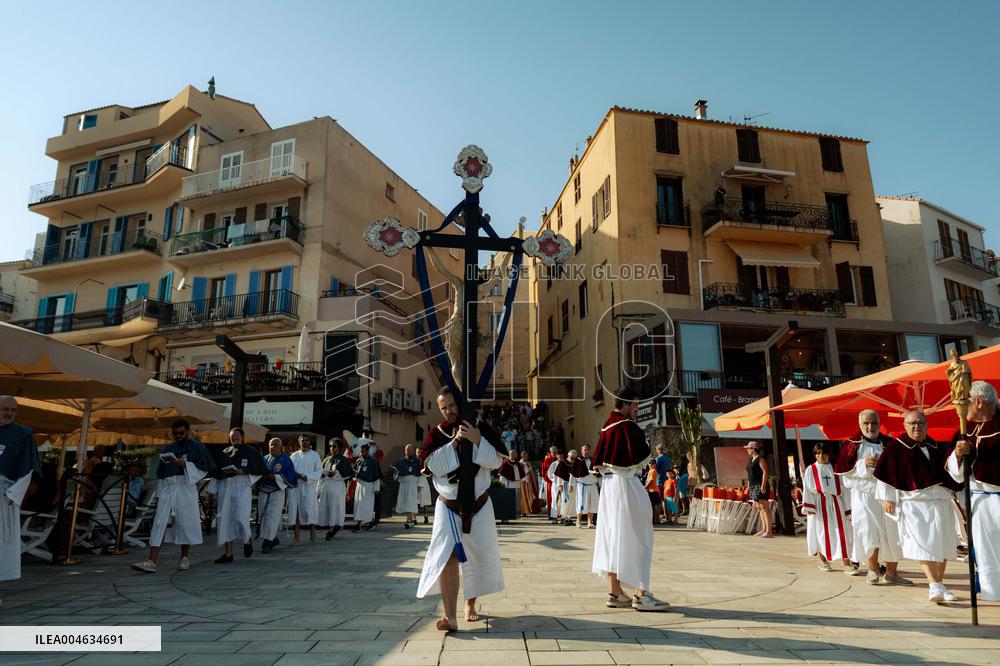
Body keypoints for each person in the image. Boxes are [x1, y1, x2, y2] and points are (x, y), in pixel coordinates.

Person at [417, 386, 506, 632]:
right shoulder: (437, 433)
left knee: (475, 557)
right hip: (448, 506)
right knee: (447, 557)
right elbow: (431, 466)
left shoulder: (480, 428)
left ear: (460, 404)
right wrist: (455, 442)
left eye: (452, 405)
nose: (449, 411)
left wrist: (477, 440)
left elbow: (497, 461)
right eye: (443, 407)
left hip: (479, 505)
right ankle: (450, 616)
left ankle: (470, 604)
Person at [592, 388, 670, 611]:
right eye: (635, 405)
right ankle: (641, 594)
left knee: (612, 538)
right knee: (640, 537)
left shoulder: (607, 426)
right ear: (625, 404)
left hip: (608, 487)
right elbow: (642, 456)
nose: (637, 409)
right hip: (626, 484)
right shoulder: (627, 427)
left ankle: (615, 592)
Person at [875, 410, 960, 604]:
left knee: (943, 545)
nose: (916, 426)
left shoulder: (936, 446)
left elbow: (951, 471)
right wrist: (887, 498)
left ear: (927, 425)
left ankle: (940, 584)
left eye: (920, 422)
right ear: (904, 425)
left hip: (940, 501)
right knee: (924, 544)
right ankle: (934, 585)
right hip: (914, 503)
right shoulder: (896, 447)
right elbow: (885, 474)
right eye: (912, 423)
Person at [835, 410, 909, 585]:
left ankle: (891, 573)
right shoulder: (851, 445)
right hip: (864, 496)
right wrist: (862, 464)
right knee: (868, 532)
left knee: (892, 534)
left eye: (874, 423)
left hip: (889, 495)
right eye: (866, 423)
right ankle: (873, 569)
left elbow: (901, 469)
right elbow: (845, 478)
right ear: (859, 424)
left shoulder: (890, 444)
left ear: (879, 423)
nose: (870, 427)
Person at [132, 419, 214, 573]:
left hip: (185, 486)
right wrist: (160, 492)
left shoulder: (197, 447)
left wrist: (186, 465)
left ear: (187, 431)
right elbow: (162, 472)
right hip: (168, 487)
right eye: (175, 433)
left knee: (186, 522)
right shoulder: (169, 448)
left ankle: (184, 557)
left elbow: (204, 469)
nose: (178, 436)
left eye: (181, 433)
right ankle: (151, 561)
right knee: (159, 521)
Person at [947, 380, 1000, 601]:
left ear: (978, 402)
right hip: (979, 500)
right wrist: (959, 455)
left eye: (964, 402)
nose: (960, 409)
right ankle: (993, 592)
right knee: (986, 550)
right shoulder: (965, 431)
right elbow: (957, 475)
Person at [0, 396, 41, 596]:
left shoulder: (23, 435)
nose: (9, 413)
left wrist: (13, 495)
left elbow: (28, 470)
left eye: (13, 410)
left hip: (4, 498)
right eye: (4, 409)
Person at [207, 427, 267, 564]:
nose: (235, 442)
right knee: (225, 519)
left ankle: (247, 539)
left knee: (241, 517)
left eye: (237, 439)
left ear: (243, 438)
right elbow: (217, 474)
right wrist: (211, 490)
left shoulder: (251, 452)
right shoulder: (225, 452)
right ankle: (228, 554)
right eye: (232, 439)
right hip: (226, 487)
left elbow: (260, 470)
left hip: (242, 486)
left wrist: (244, 472)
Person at [803, 441, 853, 573]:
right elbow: (807, 488)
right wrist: (810, 507)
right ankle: (823, 561)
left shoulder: (836, 469)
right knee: (821, 532)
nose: (821, 456)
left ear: (829, 454)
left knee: (841, 532)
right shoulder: (811, 469)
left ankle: (847, 564)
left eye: (823, 453)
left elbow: (844, 489)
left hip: (836, 503)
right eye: (818, 453)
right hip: (819, 503)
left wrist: (848, 509)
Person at [259, 438, 297, 554]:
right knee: (263, 516)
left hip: (277, 492)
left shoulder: (286, 460)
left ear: (280, 447)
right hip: (263, 491)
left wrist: (275, 477)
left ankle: (267, 542)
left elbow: (291, 476)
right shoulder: (264, 459)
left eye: (276, 445)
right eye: (271, 445)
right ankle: (273, 538)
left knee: (273, 516)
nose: (273, 447)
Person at [288, 435, 323, 544]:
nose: (305, 442)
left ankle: (312, 530)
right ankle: (296, 537)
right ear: (299, 442)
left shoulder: (315, 455)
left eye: (307, 440)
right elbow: (289, 470)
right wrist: (296, 476)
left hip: (309, 486)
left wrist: (307, 477)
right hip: (296, 487)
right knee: (296, 511)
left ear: (309, 442)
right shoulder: (294, 455)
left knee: (309, 509)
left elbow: (319, 471)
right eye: (303, 440)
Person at [318, 438, 353, 539]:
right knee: (328, 507)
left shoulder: (344, 460)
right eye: (330, 446)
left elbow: (348, 475)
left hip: (337, 486)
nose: (332, 448)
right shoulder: (326, 459)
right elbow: (321, 475)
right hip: (327, 486)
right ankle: (331, 526)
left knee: (336, 507)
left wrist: (336, 473)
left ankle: (333, 527)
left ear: (339, 447)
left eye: (334, 446)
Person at [746, 441, 773, 538]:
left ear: (753, 449)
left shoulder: (760, 459)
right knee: (759, 507)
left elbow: (765, 472)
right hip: (753, 486)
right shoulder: (750, 459)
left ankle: (769, 532)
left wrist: (763, 486)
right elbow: (749, 474)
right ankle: (764, 529)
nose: (747, 450)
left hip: (760, 485)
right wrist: (748, 487)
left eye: (748, 448)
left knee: (765, 508)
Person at [352, 444, 382, 532]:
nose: (361, 453)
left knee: (365, 505)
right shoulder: (358, 460)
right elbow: (354, 472)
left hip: (369, 486)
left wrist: (377, 488)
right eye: (361, 452)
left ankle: (359, 525)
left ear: (368, 451)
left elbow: (377, 476)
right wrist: (354, 477)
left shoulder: (373, 461)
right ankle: (371, 522)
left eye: (363, 452)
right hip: (359, 485)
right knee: (358, 504)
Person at [394, 444, 422, 528]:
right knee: (405, 502)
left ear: (413, 451)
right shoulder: (401, 461)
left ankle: (409, 520)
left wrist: (419, 485)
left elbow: (420, 475)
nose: (407, 452)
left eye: (409, 450)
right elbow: (396, 473)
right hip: (404, 485)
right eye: (406, 450)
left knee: (411, 502)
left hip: (413, 484)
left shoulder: (417, 461)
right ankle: (410, 520)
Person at [571, 444, 599, 528]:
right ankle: (578, 521)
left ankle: (590, 522)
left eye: (587, 450)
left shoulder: (592, 460)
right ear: (581, 450)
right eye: (584, 450)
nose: (586, 451)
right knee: (581, 503)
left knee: (592, 504)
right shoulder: (578, 461)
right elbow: (572, 474)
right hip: (583, 486)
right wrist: (571, 485)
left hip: (593, 485)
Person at [497, 449, 524, 518]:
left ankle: (517, 513)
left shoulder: (517, 463)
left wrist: (524, 480)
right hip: (509, 483)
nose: (514, 455)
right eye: (512, 454)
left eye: (515, 454)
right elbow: (502, 473)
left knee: (517, 498)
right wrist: (502, 483)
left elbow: (521, 473)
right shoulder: (506, 462)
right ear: (509, 455)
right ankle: (510, 512)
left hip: (517, 483)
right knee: (510, 498)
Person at [548, 450, 569, 524]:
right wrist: (556, 478)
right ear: (557, 456)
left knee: (564, 500)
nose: (560, 456)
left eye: (561, 455)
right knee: (555, 500)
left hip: (564, 484)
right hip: (556, 484)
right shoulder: (554, 464)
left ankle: (563, 517)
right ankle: (555, 517)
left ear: (563, 456)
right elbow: (549, 474)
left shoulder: (566, 463)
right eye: (559, 455)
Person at [540, 445, 557, 518]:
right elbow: (544, 471)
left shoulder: (558, 458)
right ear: (550, 452)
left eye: (556, 452)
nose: (555, 453)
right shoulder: (547, 460)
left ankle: (558, 513)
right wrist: (549, 479)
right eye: (553, 452)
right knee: (550, 497)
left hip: (558, 481)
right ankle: (551, 514)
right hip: (550, 482)